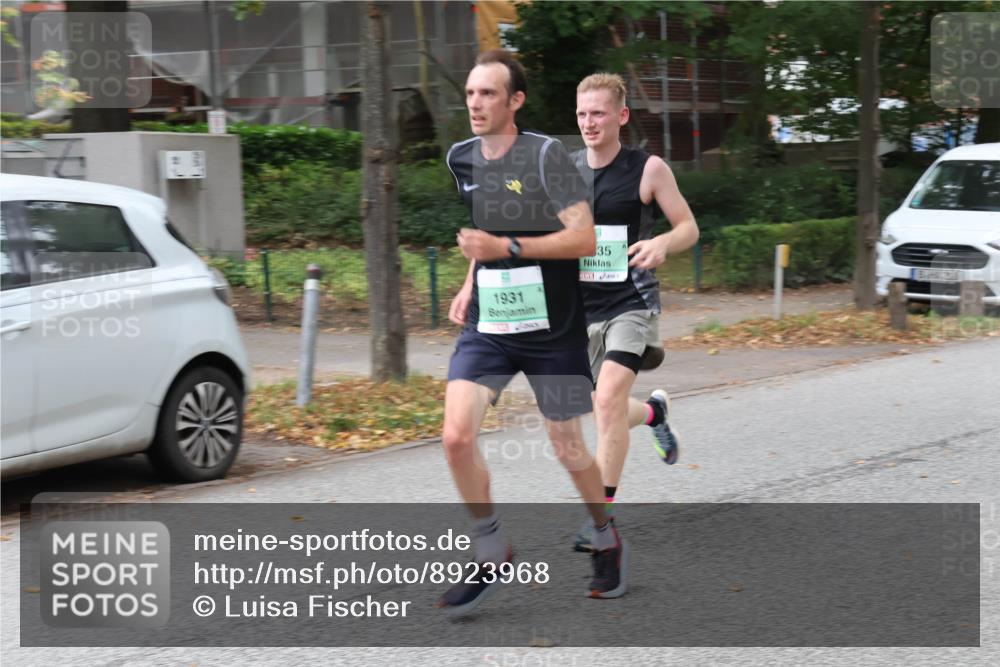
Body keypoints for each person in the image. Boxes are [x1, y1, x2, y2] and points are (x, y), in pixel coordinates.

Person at [436, 51, 627, 617]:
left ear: (515, 101)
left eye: (488, 93)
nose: (475, 103)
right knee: (455, 437)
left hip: (556, 333)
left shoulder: (548, 157)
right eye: (470, 93)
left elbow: (585, 240)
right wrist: (473, 277)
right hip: (490, 326)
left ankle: (605, 533)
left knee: (567, 446)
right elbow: (491, 223)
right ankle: (492, 544)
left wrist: (507, 249)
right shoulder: (461, 157)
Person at [571, 73, 700, 551]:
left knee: (605, 404)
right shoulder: (565, 170)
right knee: (604, 410)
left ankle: (599, 522)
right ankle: (653, 414)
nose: (589, 122)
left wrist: (664, 241)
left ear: (621, 116)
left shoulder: (648, 169)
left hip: (631, 302)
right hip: (581, 310)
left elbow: (689, 226)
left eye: (598, 113)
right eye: (583, 114)